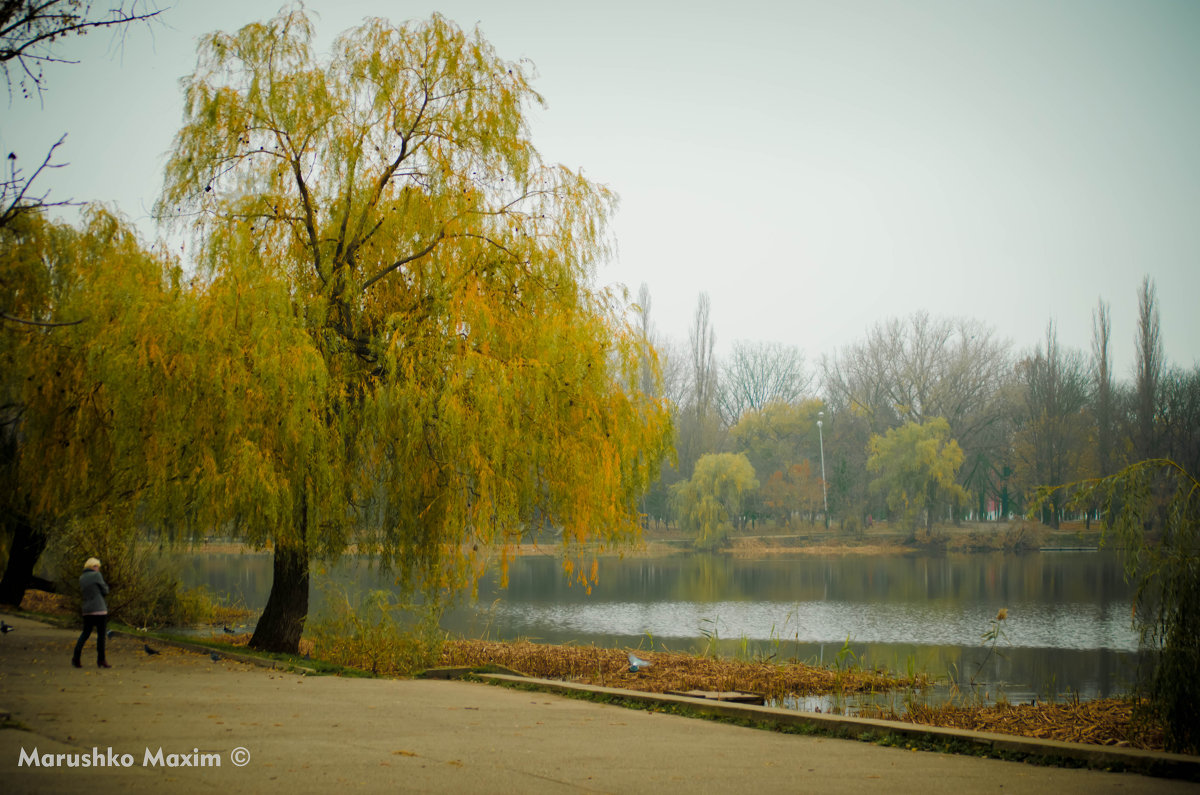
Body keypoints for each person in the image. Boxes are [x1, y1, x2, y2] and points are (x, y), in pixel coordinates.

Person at [72, 557, 111, 669]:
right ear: (91, 566)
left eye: (98, 567)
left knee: (85, 634)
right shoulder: (96, 575)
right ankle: (101, 660)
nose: (97, 569)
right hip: (99, 609)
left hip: (87, 609)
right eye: (96, 566)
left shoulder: (82, 578)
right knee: (101, 636)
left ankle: (76, 658)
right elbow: (105, 590)